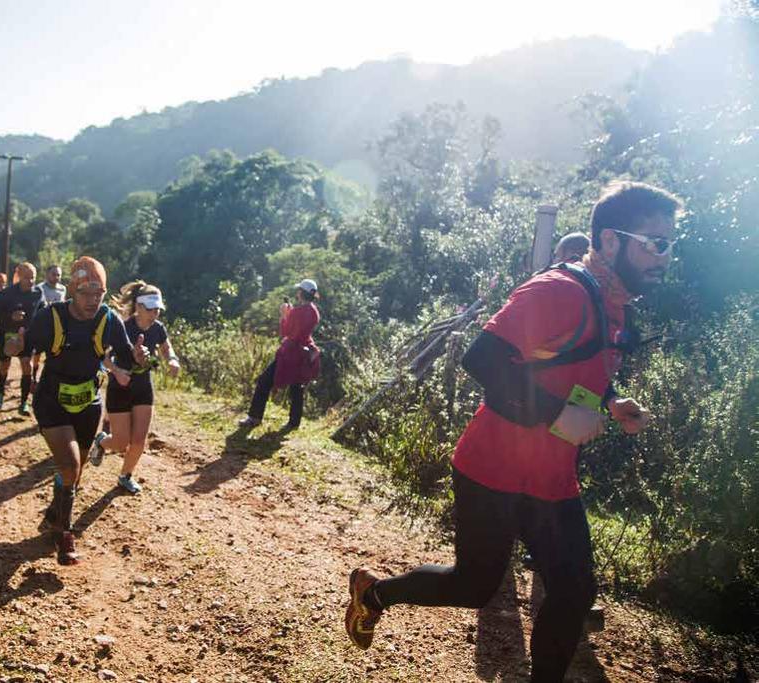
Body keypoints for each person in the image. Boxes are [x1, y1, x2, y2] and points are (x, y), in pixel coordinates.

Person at [345, 181, 681, 682]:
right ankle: (373, 594)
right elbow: (482, 360)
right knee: (474, 586)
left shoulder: (615, 307)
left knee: (573, 589)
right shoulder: (558, 292)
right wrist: (558, 416)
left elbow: (582, 370)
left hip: (551, 477)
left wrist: (613, 403)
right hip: (492, 468)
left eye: (670, 244)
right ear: (611, 240)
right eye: (655, 243)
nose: (665, 256)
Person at [4, 256, 147, 564]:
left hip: (88, 404)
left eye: (99, 293)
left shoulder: (109, 320)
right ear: (72, 291)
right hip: (52, 402)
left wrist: (139, 357)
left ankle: (54, 513)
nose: (93, 299)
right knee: (69, 466)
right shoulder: (50, 317)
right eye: (86, 293)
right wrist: (14, 344)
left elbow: (128, 358)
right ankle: (64, 535)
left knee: (75, 471)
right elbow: (22, 348)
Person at [88, 281, 181, 494]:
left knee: (139, 441)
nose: (155, 313)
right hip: (120, 386)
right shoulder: (122, 327)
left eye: (158, 309)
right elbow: (103, 356)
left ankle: (125, 476)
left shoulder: (158, 328)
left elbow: (167, 348)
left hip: (143, 386)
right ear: (138, 307)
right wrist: (117, 372)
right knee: (121, 443)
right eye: (150, 308)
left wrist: (172, 360)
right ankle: (102, 442)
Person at [238, 279, 321, 431]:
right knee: (297, 387)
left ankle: (254, 417)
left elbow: (286, 332)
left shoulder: (297, 312)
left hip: (291, 353)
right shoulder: (314, 311)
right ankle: (294, 423)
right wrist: (290, 314)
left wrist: (284, 315)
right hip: (304, 354)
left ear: (301, 293)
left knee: (264, 381)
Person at [0, 263, 45, 415]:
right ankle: (1, 392)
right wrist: (10, 316)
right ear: (19, 277)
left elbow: (43, 311)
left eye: (33, 277)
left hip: (27, 335)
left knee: (26, 366)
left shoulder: (38, 293)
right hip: (6, 334)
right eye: (27, 278)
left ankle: (23, 402)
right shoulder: (7, 293)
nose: (30, 281)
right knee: (4, 366)